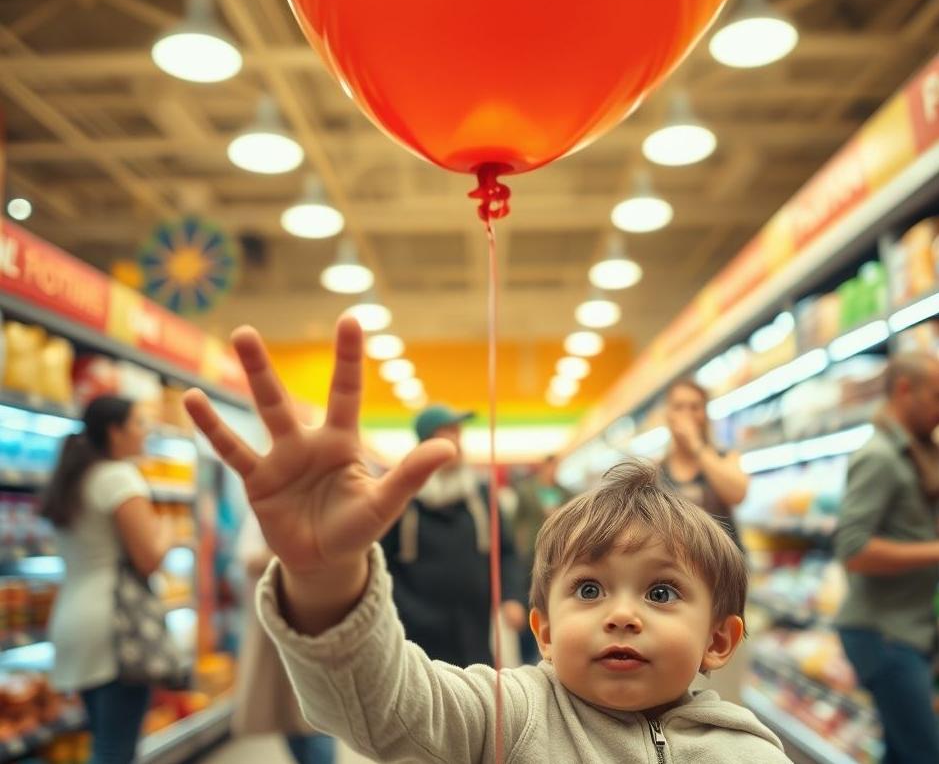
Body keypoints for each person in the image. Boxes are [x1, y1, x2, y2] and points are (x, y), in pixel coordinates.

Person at [184, 318, 791, 762]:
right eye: (588, 588)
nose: (623, 615)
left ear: (719, 638)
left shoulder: (747, 751)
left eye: (660, 592)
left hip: (473, 622)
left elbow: (506, 549)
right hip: (422, 633)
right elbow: (387, 707)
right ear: (545, 631)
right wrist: (324, 575)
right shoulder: (510, 716)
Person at [41, 395, 171, 764]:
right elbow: (148, 558)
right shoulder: (118, 476)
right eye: (138, 423)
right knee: (116, 750)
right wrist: (166, 533)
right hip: (115, 630)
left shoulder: (74, 477)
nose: (145, 432)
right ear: (115, 431)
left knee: (103, 738)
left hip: (72, 621)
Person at [834, 352, 939, 764]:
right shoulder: (878, 456)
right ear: (903, 390)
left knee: (901, 750)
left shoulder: (918, 453)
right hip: (882, 634)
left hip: (907, 630)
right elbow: (853, 549)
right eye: (935, 396)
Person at [379, 403, 528, 666]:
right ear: (425, 443)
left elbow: (505, 551)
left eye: (458, 433)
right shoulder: (402, 496)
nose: (457, 442)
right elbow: (381, 562)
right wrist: (404, 610)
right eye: (447, 433)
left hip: (476, 633)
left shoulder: (480, 494)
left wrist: (512, 596)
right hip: (416, 638)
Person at [232, 510, 335, 764]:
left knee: (317, 715)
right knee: (287, 712)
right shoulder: (262, 511)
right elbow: (247, 558)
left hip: (314, 623)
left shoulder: (323, 510)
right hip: (275, 622)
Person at [659, 378, 749, 550]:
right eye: (678, 407)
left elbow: (738, 494)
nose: (687, 415)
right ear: (668, 415)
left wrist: (696, 445)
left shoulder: (725, 456)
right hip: (681, 568)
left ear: (705, 414)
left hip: (726, 563)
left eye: (695, 407)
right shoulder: (657, 469)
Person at [513, 455, 573, 663]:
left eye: (556, 467)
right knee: (529, 600)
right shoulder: (526, 491)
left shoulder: (566, 493)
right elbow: (518, 521)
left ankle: (551, 654)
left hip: (558, 554)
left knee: (553, 599)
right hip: (531, 553)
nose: (553, 471)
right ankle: (528, 657)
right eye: (550, 466)